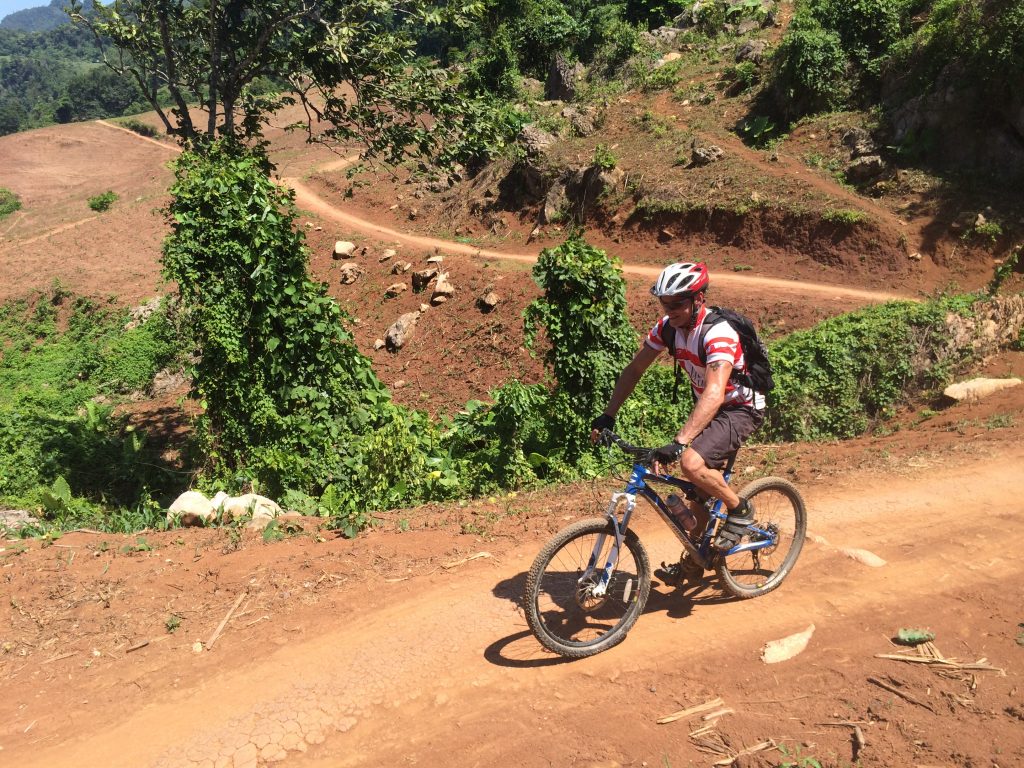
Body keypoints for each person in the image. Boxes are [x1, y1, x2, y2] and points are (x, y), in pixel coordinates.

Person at [589, 261, 766, 579]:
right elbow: (633, 370)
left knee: (691, 465)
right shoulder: (667, 328)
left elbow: (714, 391)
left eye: (678, 304)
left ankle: (740, 510)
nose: (671, 311)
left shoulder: (719, 334)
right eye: (665, 304)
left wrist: (681, 442)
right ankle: (696, 561)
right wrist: (608, 414)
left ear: (699, 299)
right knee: (697, 490)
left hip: (739, 408)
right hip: (710, 407)